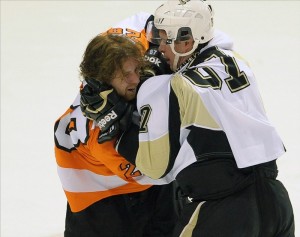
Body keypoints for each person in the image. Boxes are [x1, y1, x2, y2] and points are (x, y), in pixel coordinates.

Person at [89, 1, 295, 236]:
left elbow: (155, 168)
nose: (160, 48)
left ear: (186, 41)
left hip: (223, 213)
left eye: (166, 39)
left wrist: (120, 123)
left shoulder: (172, 87)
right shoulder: (237, 62)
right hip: (277, 204)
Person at [54, 13, 176, 237]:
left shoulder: (111, 64)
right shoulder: (102, 131)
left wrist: (155, 53)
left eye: (137, 70)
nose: (136, 80)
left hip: (125, 187)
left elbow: (147, 21)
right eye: (125, 75)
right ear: (103, 79)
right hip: (101, 200)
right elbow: (159, 172)